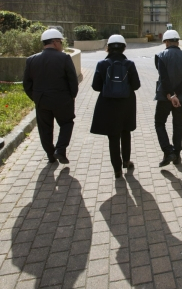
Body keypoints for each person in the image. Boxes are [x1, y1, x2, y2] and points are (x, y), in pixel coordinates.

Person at [23, 28, 78, 164]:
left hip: (42, 101)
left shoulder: (31, 60)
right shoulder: (64, 58)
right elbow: (73, 81)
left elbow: (27, 84)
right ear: (55, 42)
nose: (61, 45)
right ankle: (60, 150)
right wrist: (72, 96)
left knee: (45, 129)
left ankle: (50, 155)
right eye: (60, 42)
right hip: (62, 100)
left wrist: (36, 98)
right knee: (66, 123)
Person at [90, 35, 140, 178]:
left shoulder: (102, 64)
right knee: (126, 132)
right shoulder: (129, 64)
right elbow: (136, 85)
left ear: (108, 47)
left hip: (108, 104)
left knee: (113, 136)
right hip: (127, 103)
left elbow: (95, 86)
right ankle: (126, 161)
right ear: (124, 47)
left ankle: (117, 169)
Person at [154, 29, 182, 167]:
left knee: (159, 123)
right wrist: (177, 93)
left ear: (167, 41)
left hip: (165, 97)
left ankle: (168, 151)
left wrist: (170, 94)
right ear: (177, 41)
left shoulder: (161, 56)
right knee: (178, 125)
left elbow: (163, 77)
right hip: (180, 98)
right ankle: (177, 154)